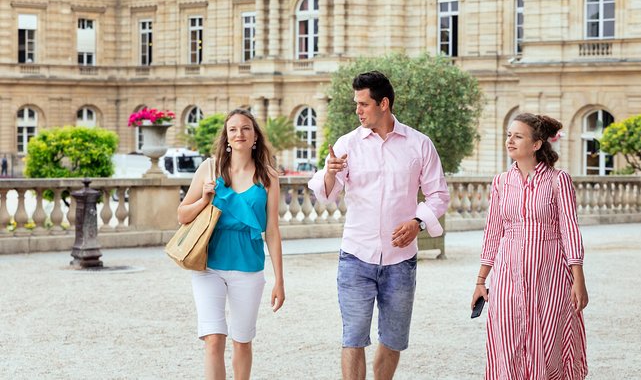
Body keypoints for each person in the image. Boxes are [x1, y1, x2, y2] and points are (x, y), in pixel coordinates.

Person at [308, 71, 449, 380]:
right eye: (356, 104)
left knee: (393, 339)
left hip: (401, 260)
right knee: (353, 338)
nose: (358, 111)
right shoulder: (347, 144)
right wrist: (331, 172)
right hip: (356, 257)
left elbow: (439, 195)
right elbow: (327, 194)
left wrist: (417, 222)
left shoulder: (419, 144)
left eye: (364, 104)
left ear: (384, 103)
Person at [471, 113, 588, 379]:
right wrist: (481, 280)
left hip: (550, 275)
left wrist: (578, 279)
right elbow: (492, 233)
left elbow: (570, 230)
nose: (510, 140)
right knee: (508, 340)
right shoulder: (501, 182)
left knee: (549, 341)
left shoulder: (559, 181)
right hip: (508, 275)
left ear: (536, 144)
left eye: (518, 136)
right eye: (508, 135)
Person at [178, 108, 285, 380]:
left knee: (242, 339)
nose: (239, 133)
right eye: (233, 129)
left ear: (255, 137)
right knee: (214, 338)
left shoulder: (269, 176)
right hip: (208, 265)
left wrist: (279, 280)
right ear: (226, 136)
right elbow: (182, 214)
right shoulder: (209, 168)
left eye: (246, 128)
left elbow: (272, 230)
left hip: (248, 268)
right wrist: (204, 199)